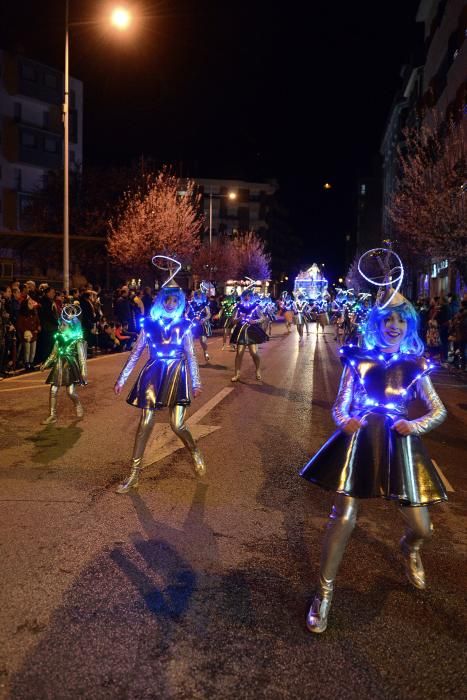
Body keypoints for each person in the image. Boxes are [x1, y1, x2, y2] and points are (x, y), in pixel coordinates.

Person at [300, 286, 447, 634]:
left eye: (400, 320)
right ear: (377, 324)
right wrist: (343, 420)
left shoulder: (415, 364)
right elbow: (340, 404)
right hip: (361, 441)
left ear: (408, 326)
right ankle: (324, 593)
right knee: (344, 517)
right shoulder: (358, 359)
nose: (393, 325)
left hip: (399, 443)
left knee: (422, 527)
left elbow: (437, 410)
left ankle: (409, 548)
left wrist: (415, 424)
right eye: (387, 319)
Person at [114, 261, 205, 494]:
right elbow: (135, 354)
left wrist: (196, 382)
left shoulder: (185, 325)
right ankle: (134, 475)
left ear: (179, 303)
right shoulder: (149, 324)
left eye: (175, 301)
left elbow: (191, 355)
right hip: (153, 373)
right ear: (161, 302)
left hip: (177, 373)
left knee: (177, 424)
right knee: (145, 423)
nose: (171, 304)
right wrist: (121, 379)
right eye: (167, 300)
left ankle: (194, 451)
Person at [40, 304, 88, 424]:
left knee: (70, 392)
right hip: (59, 365)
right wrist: (45, 364)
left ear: (71, 327)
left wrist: (83, 371)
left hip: (70, 367)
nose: (61, 327)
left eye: (64, 325)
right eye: (60, 324)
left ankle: (77, 404)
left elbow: (82, 358)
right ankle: (52, 415)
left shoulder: (77, 340)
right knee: (53, 389)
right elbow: (53, 354)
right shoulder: (58, 339)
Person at [230, 288, 269, 382]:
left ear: (251, 297)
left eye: (249, 296)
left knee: (254, 353)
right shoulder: (238, 307)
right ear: (242, 297)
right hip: (241, 331)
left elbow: (263, 318)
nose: (247, 297)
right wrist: (239, 318)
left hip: (252, 331)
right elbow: (233, 321)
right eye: (245, 296)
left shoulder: (255, 307)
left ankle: (258, 370)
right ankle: (237, 374)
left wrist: (254, 321)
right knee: (239, 353)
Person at [187, 288, 211, 362]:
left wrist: (204, 319)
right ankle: (192, 356)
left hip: (201, 325)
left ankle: (205, 352)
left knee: (203, 341)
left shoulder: (205, 305)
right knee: (190, 341)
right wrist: (189, 319)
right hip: (193, 325)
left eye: (200, 295)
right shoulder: (191, 304)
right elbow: (186, 314)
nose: (198, 296)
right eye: (197, 295)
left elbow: (209, 314)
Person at [16, 297, 41, 370]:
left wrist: (38, 328)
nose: (31, 305)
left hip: (34, 334)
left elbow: (38, 322)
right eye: (29, 303)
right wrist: (25, 331)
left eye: (31, 303)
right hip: (26, 335)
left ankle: (31, 363)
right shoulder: (22, 315)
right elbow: (19, 325)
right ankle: (27, 363)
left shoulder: (34, 312)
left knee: (33, 350)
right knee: (27, 350)